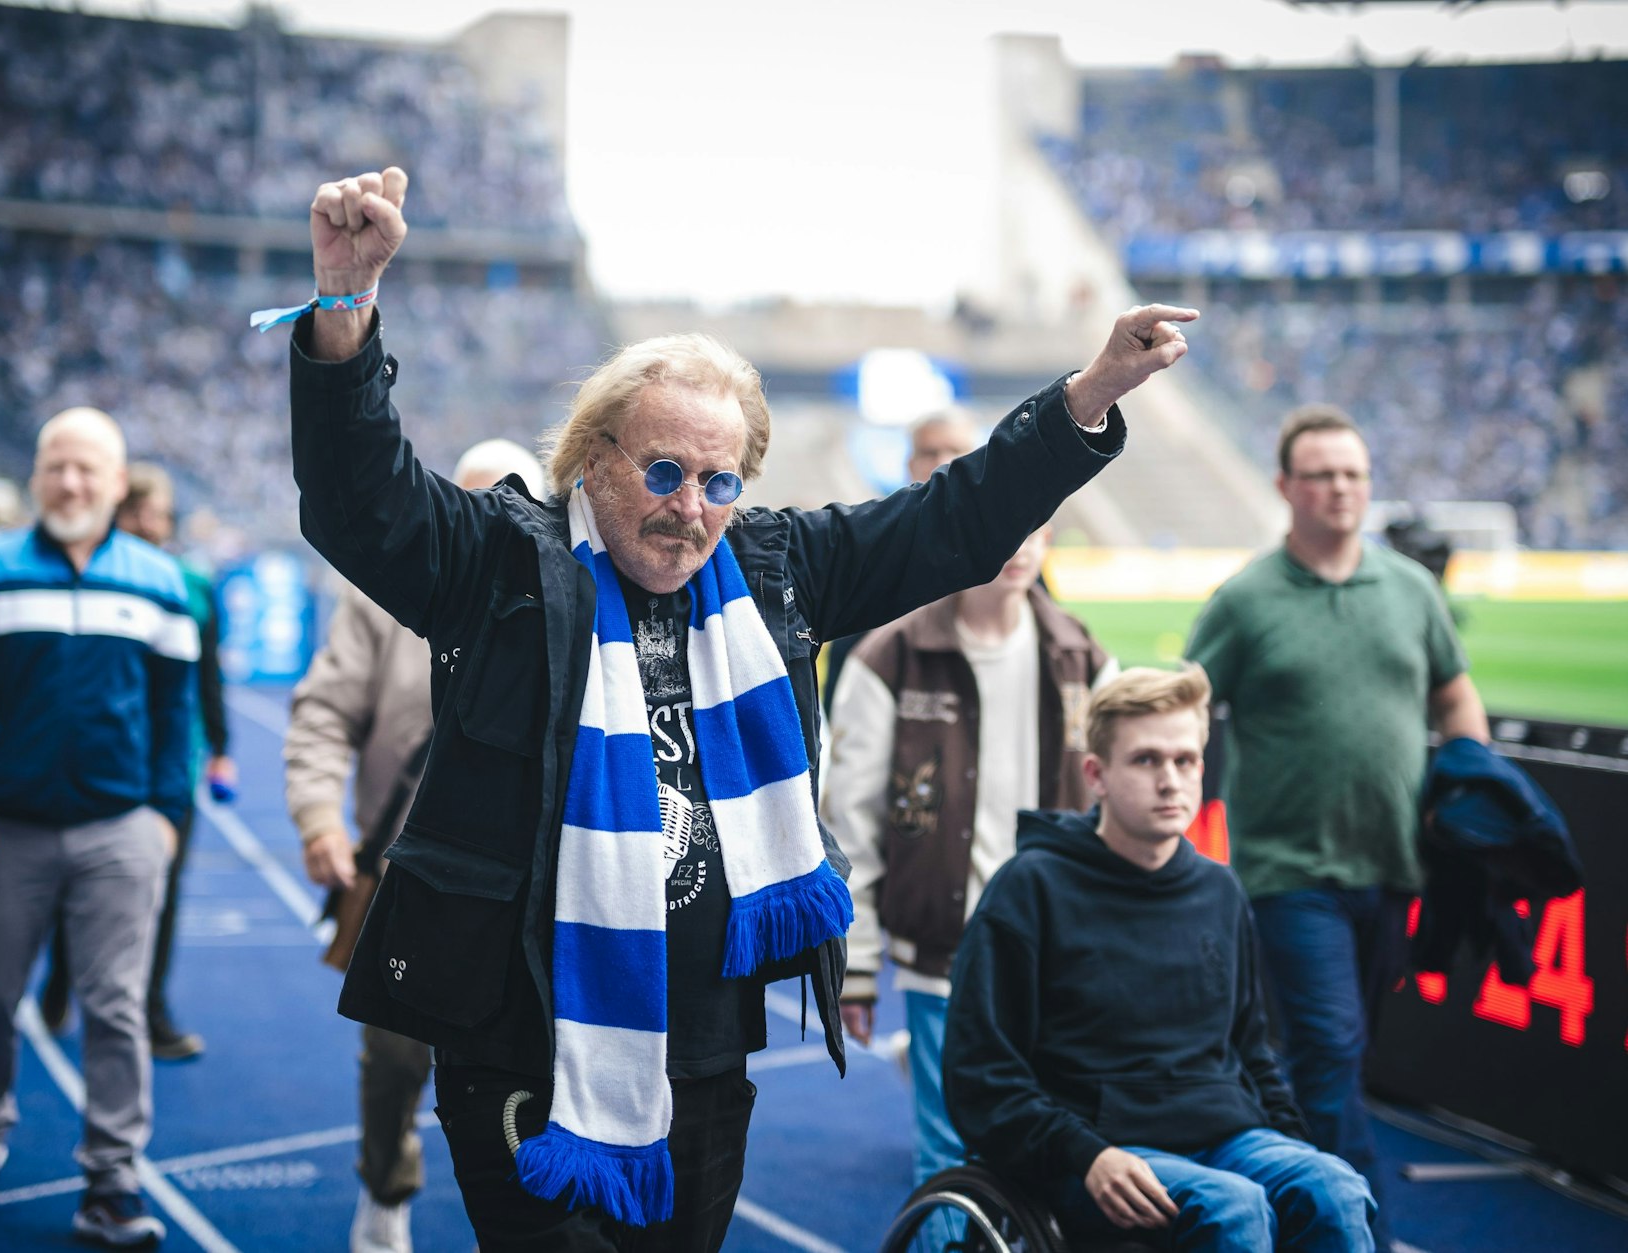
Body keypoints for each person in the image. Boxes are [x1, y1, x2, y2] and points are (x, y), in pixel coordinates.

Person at [280, 166, 1192, 1249]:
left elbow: (952, 520)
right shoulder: (502, 564)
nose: (690, 508)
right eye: (664, 470)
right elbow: (362, 501)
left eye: (719, 481)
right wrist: (344, 309)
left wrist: (1088, 394)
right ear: (593, 456)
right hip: (518, 1033)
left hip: (708, 1043)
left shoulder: (776, 569)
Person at [1184, 405, 1488, 1250]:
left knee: (1342, 1055)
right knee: (1327, 1050)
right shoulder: (1246, 598)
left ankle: (1288, 1200)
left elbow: (1455, 691)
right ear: (1286, 487)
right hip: (1289, 873)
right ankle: (1358, 1230)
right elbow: (1188, 702)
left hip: (1391, 866)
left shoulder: (1410, 588)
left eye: (1353, 473)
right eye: (1321, 474)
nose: (1341, 488)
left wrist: (1473, 777)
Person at [942, 666, 1375, 1251]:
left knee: (1334, 1188)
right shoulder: (1029, 889)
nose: (1170, 781)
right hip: (1091, 1149)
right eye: (1146, 760)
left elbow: (1251, 1052)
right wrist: (1086, 1155)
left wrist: (1297, 1147)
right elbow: (980, 1075)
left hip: (1226, 1135)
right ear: (1096, 775)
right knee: (1232, 1208)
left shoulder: (1220, 891)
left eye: (1185, 760)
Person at [0, 406, 196, 1249]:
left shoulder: (160, 580)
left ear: (116, 482)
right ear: (35, 477)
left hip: (120, 830)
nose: (70, 482)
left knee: (116, 1007)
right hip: (4, 828)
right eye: (56, 466)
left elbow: (176, 713)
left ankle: (111, 1178)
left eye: (87, 468)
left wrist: (165, 816)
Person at [286, 438, 546, 1253]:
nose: (495, 517)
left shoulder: (570, 600)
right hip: (408, 873)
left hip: (525, 883)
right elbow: (325, 710)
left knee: (525, 1066)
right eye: (475, 499)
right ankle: (386, 1187)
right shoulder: (382, 596)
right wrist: (319, 816)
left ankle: (526, 1217)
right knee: (397, 1058)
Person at [822, 521, 1115, 1234]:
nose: (1018, 543)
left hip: (1056, 958)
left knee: (1054, 1150)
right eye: (1006, 524)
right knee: (948, 1156)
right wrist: (856, 964)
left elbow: (1115, 806)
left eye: (1036, 528)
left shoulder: (1080, 654)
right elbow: (850, 823)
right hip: (941, 956)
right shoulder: (892, 655)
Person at [40, 461, 234, 1060]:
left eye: (161, 515)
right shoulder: (87, 576)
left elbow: (208, 673)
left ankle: (151, 1011)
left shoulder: (192, 584)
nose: (152, 525)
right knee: (80, 878)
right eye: (141, 513)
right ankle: (60, 978)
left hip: (171, 762)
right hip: (103, 758)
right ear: (118, 514)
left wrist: (221, 748)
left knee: (162, 889)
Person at [817, 408, 980, 715]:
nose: (942, 461)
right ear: (910, 464)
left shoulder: (1010, 548)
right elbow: (846, 652)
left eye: (956, 450)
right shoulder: (875, 542)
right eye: (929, 452)